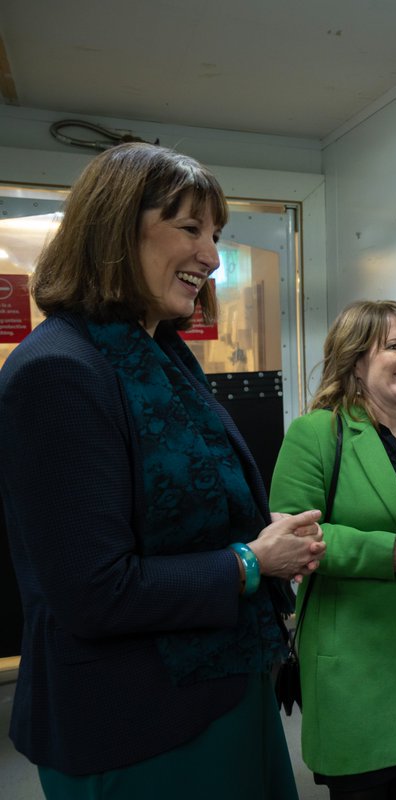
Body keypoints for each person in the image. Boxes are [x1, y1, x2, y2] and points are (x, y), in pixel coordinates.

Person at [0, 142, 325, 798]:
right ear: (117, 229)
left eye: (216, 235)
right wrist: (252, 562)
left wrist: (263, 533)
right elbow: (93, 592)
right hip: (135, 725)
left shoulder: (164, 357)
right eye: (189, 229)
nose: (210, 256)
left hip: (220, 690)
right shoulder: (57, 372)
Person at [270, 300, 396, 799]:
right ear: (356, 360)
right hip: (358, 661)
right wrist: (391, 554)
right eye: (395, 346)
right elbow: (292, 534)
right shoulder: (318, 433)